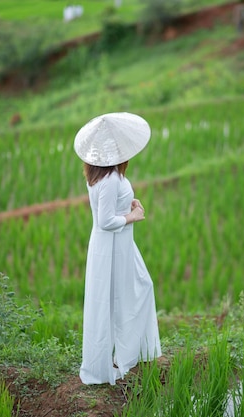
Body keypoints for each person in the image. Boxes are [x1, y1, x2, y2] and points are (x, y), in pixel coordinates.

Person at [73, 112, 162, 385]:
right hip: (112, 247)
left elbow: (108, 204)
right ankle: (121, 357)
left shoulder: (101, 174)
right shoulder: (110, 179)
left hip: (118, 245)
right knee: (121, 298)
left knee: (135, 289)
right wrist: (131, 217)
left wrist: (129, 201)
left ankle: (126, 353)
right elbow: (105, 220)